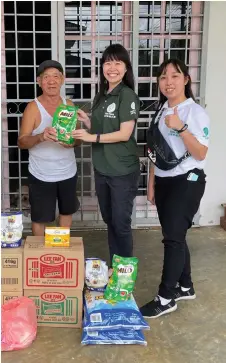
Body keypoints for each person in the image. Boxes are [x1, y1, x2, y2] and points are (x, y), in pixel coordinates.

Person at [140, 59, 210, 318]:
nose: (168, 82)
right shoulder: (161, 110)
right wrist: (151, 184)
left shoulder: (195, 112)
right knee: (176, 235)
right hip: (164, 181)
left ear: (186, 80)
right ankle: (186, 285)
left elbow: (201, 153)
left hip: (187, 180)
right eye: (163, 77)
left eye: (174, 76)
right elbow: (155, 152)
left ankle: (166, 297)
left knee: (173, 239)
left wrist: (180, 127)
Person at [72, 44, 140, 268]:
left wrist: (91, 138)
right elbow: (102, 127)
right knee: (110, 221)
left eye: (117, 63)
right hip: (102, 169)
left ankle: (125, 274)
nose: (112, 68)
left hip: (122, 171)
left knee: (121, 223)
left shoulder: (127, 95)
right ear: (102, 67)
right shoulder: (101, 95)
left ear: (125, 67)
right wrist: (88, 121)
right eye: (108, 63)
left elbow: (124, 133)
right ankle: (115, 266)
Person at [18, 60, 80, 236]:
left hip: (67, 172)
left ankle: (61, 252)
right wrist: (40, 137)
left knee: (66, 212)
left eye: (56, 76)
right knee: (41, 218)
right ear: (39, 81)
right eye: (46, 77)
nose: (51, 81)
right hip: (41, 174)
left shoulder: (69, 105)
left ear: (62, 79)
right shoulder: (33, 108)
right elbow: (22, 142)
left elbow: (77, 140)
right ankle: (41, 255)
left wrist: (72, 142)